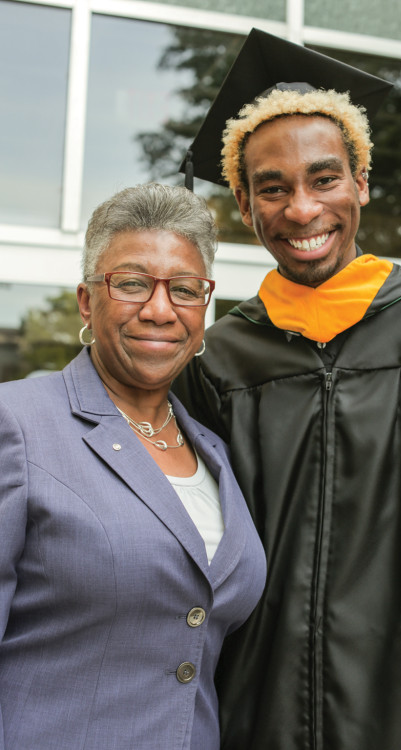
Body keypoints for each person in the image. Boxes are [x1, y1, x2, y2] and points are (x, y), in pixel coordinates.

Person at [173, 28, 401, 750]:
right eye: (272, 188)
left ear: (362, 184)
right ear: (244, 203)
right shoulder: (219, 358)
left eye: (324, 178)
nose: (301, 209)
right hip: (253, 715)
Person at [0, 183, 266, 750]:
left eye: (186, 290)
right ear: (85, 299)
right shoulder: (17, 425)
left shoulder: (215, 450)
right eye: (132, 283)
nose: (160, 309)